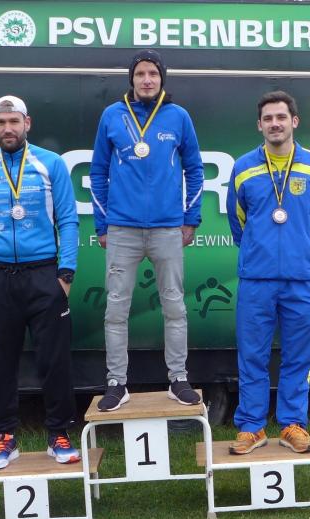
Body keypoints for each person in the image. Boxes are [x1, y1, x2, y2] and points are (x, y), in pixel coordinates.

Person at [0, 95, 80, 470]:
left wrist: (66, 274)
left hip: (44, 275)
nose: (8, 128)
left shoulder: (51, 164)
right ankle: (4, 437)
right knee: (0, 361)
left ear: (27, 123)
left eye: (14, 121)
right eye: (1, 122)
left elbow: (68, 220)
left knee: (54, 360)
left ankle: (59, 433)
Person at [90, 49, 204, 411]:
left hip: (167, 229)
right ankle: (116, 383)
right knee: (115, 309)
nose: (147, 80)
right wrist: (102, 223)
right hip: (121, 229)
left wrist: (191, 218)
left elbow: (195, 169)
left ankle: (178, 379)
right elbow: (97, 172)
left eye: (153, 73)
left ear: (162, 79)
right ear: (132, 79)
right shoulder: (112, 115)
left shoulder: (178, 116)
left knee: (174, 306)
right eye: (140, 74)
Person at [226, 91, 310, 454]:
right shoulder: (243, 167)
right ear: (259, 125)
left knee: (299, 356)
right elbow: (238, 220)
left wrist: (300, 248)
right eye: (268, 118)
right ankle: (252, 427)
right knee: (252, 355)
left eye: (281, 117)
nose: (275, 124)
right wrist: (261, 250)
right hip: (257, 280)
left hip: (301, 280)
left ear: (294, 121)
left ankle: (292, 424)